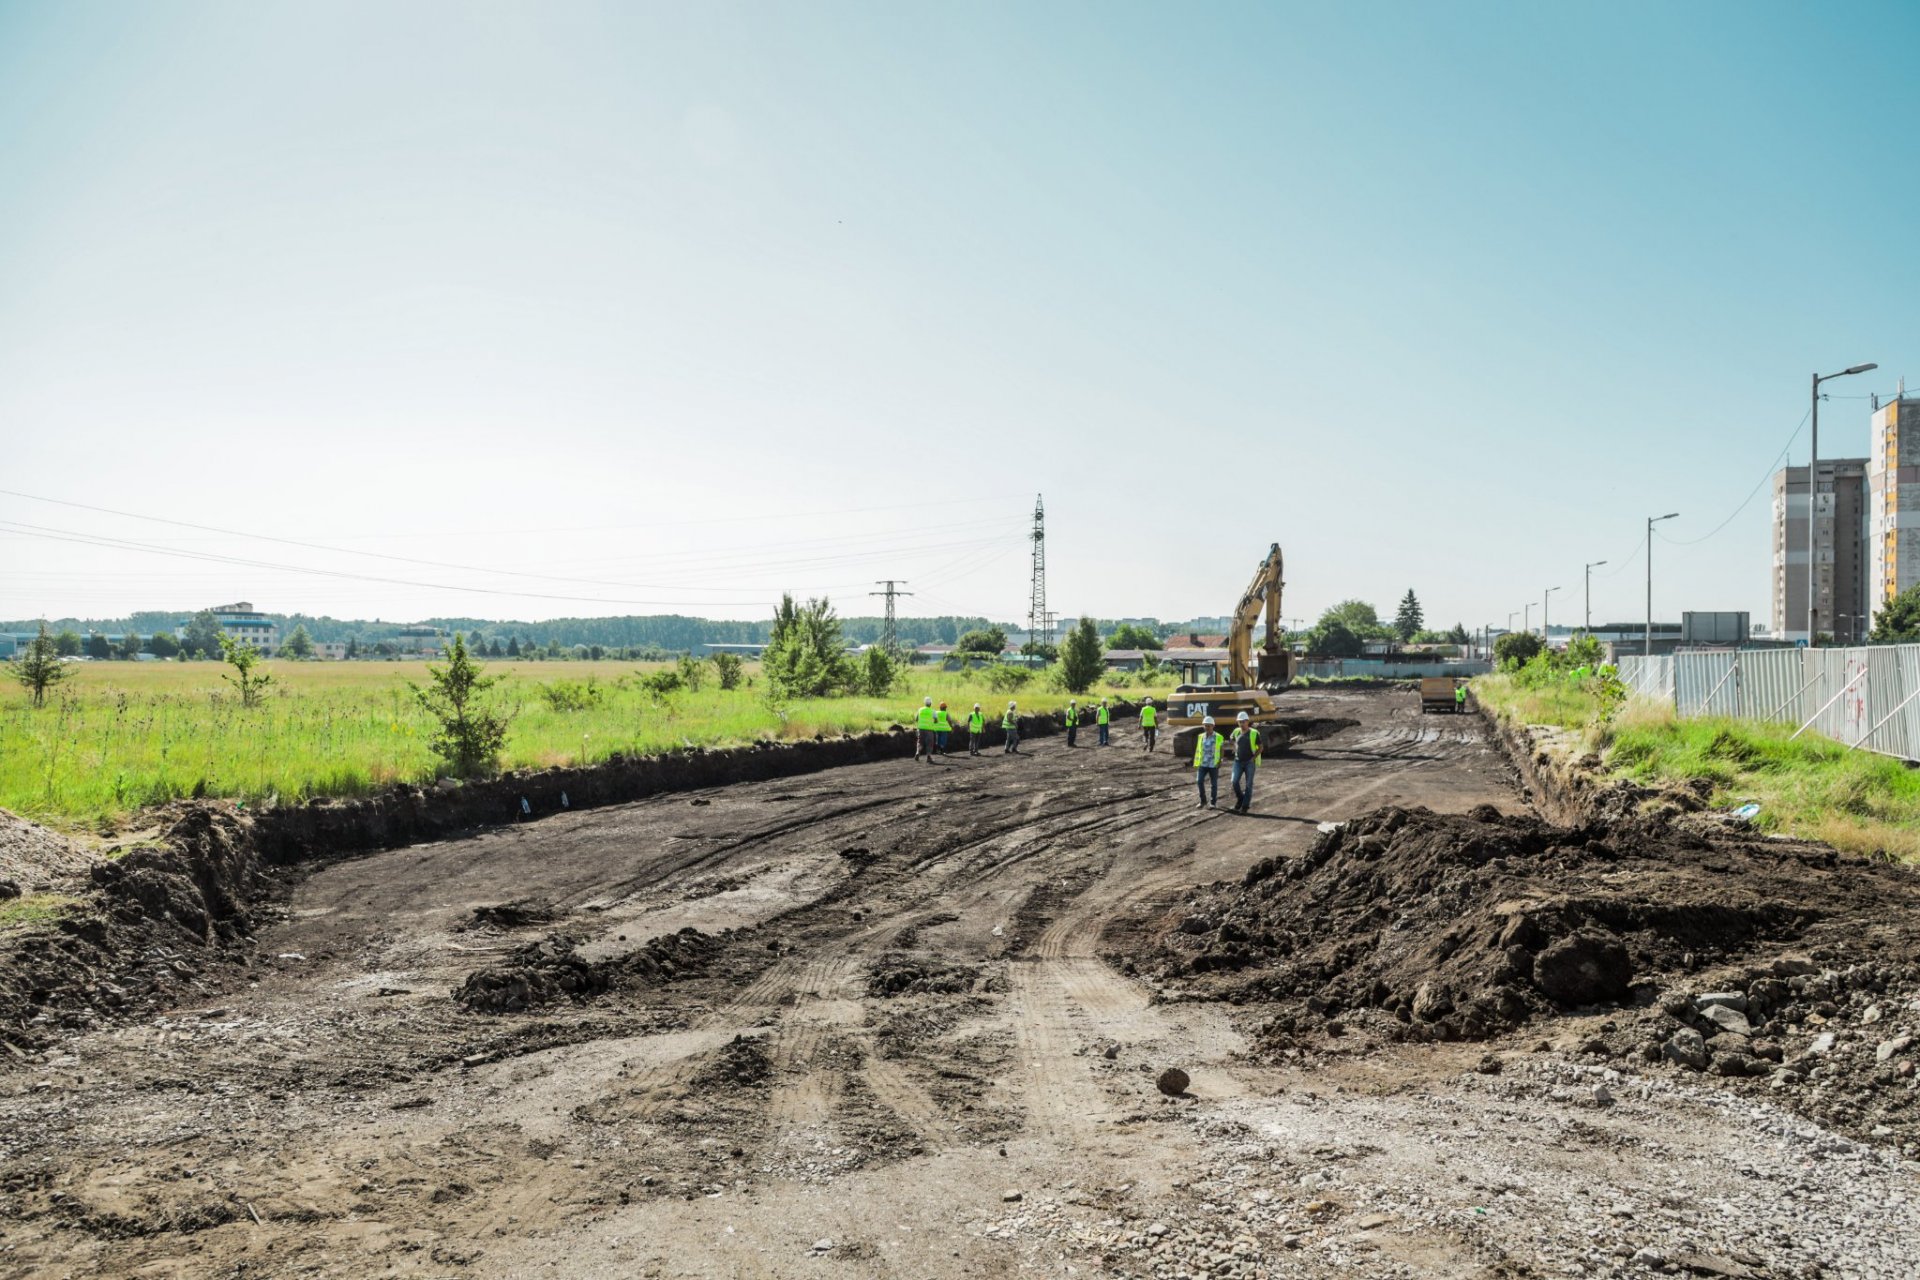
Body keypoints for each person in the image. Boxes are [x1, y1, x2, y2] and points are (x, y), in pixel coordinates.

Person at [1228, 710, 1262, 813]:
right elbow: (1231, 739)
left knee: (1248, 784)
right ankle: (1240, 798)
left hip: (1249, 762)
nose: (1241, 724)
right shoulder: (1236, 731)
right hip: (1238, 761)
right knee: (1234, 781)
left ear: (1247, 721)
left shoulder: (1254, 733)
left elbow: (1260, 747)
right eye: (1240, 722)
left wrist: (1253, 758)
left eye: (1243, 721)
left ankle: (1245, 806)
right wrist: (1234, 746)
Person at [1192, 715, 1226, 808]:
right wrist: (1196, 762)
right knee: (1199, 781)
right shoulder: (1201, 736)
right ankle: (1203, 801)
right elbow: (1198, 749)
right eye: (1205, 725)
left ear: (1213, 726)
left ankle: (1213, 803)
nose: (1207, 727)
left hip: (1213, 764)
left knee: (1213, 784)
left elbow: (1222, 749)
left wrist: (1220, 760)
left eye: (1208, 725)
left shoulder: (1218, 737)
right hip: (1203, 763)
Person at [915, 696, 938, 763]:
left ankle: (917, 752)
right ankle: (928, 757)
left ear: (924, 703)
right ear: (930, 703)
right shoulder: (933, 711)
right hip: (929, 729)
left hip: (920, 728)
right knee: (929, 743)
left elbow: (916, 719)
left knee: (920, 742)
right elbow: (936, 721)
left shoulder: (920, 709)